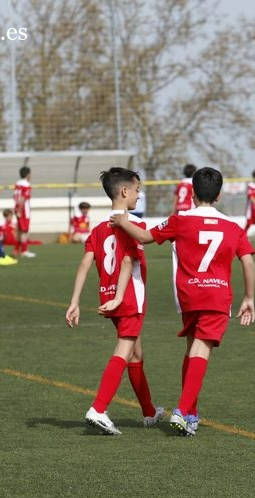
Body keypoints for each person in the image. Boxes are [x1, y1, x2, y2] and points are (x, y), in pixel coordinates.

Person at [111, 167, 255, 437]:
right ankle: (182, 410)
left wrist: (122, 221)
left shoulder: (180, 220)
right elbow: (247, 261)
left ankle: (191, 413)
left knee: (192, 350)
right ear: (219, 196)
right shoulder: (234, 227)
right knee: (201, 351)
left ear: (192, 194)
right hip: (216, 296)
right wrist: (248, 298)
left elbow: (144, 237)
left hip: (189, 296)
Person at [65, 167, 164, 435]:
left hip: (108, 297)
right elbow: (128, 262)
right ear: (124, 191)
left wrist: (74, 302)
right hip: (128, 299)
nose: (139, 195)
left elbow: (85, 264)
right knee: (123, 351)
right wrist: (121, 297)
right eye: (137, 190)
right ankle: (98, 408)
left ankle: (149, 412)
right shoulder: (134, 226)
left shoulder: (98, 229)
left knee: (136, 354)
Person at [13, 166, 36, 258]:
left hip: (17, 208)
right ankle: (24, 251)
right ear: (28, 174)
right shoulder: (26, 185)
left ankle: (16, 250)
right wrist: (20, 210)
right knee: (24, 231)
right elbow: (23, 198)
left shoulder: (17, 184)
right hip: (23, 210)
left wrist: (17, 209)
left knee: (19, 230)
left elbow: (15, 197)